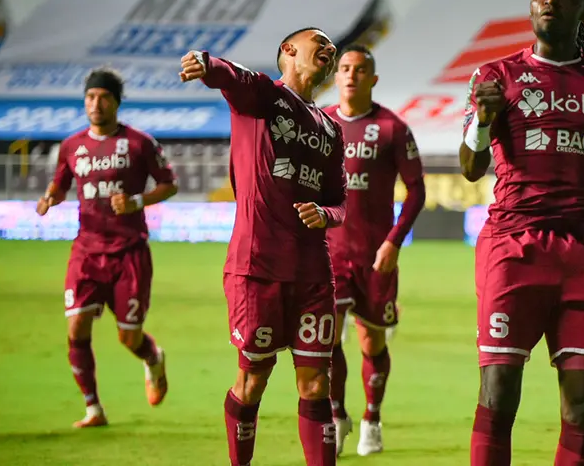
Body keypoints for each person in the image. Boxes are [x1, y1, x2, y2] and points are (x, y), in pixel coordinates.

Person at [459, 0, 584, 466]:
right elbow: (471, 169)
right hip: (512, 247)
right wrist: (482, 121)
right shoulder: (494, 76)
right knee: (499, 393)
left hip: (583, 253)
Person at [178, 27, 346, 466]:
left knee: (316, 386)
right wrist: (205, 61)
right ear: (289, 51)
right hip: (257, 268)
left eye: (332, 49)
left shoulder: (331, 128)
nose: (329, 51)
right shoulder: (264, 99)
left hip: (313, 273)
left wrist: (325, 215)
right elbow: (231, 76)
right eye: (320, 44)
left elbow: (339, 201)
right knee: (253, 382)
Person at [36, 67, 178, 428]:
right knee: (77, 327)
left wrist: (136, 201)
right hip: (86, 251)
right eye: (90, 97)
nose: (96, 103)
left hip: (129, 253)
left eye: (103, 97)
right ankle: (93, 409)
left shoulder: (139, 143)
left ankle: (153, 358)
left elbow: (169, 184)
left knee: (128, 337)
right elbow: (61, 184)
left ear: (116, 102)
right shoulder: (71, 146)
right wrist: (51, 197)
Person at [323, 45, 426, 456]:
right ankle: (336, 415)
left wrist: (393, 242)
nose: (351, 75)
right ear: (336, 76)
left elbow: (417, 190)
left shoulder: (391, 128)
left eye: (360, 69)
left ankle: (371, 418)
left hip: (375, 255)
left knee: (372, 344)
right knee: (325, 340)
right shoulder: (320, 123)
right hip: (328, 254)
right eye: (345, 68)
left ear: (373, 79)